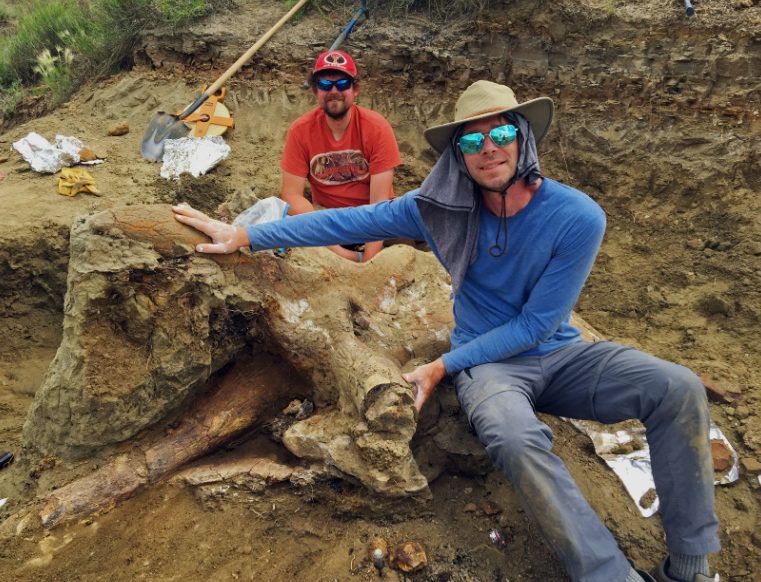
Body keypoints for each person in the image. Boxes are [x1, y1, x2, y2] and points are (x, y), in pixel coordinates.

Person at [173, 80, 720, 582]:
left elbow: (538, 324)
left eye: (501, 133)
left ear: (523, 138)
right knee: (513, 436)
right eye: (472, 140)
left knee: (676, 388)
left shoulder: (579, 216)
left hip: (560, 356)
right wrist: (245, 235)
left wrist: (440, 366)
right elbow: (348, 221)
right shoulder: (440, 210)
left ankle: (689, 567)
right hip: (488, 364)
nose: (489, 149)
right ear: (458, 154)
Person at [280, 50, 402, 263]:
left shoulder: (377, 129)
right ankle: (348, 252)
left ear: (356, 89)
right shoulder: (300, 131)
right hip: (328, 217)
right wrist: (334, 246)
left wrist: (368, 264)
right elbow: (291, 196)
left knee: (416, 223)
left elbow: (379, 205)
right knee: (282, 216)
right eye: (325, 85)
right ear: (315, 91)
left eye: (343, 84)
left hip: (372, 216)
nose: (334, 91)